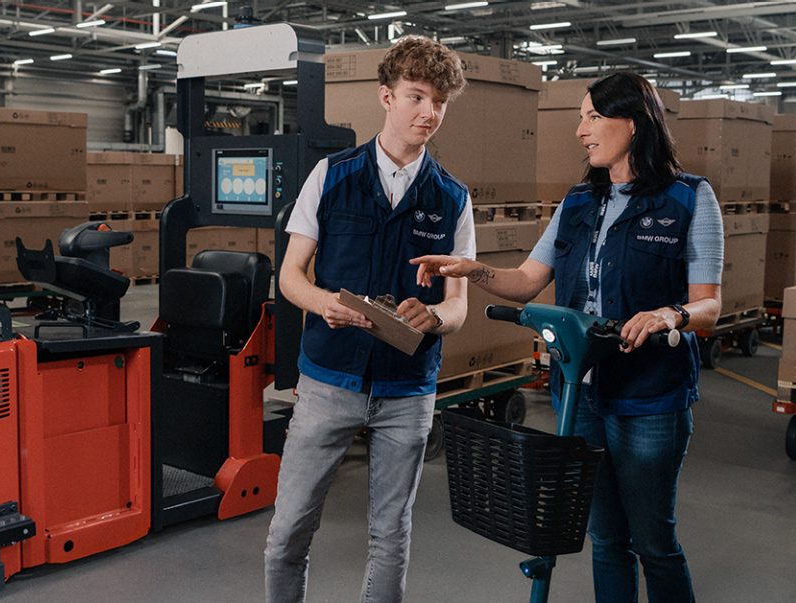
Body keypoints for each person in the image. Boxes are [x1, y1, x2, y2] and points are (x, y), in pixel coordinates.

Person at [411, 71, 723, 603]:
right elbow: (528, 281)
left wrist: (669, 315)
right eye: (581, 117)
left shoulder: (689, 199)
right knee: (605, 538)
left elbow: (709, 306)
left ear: (634, 122)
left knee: (653, 541)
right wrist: (471, 269)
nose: (581, 130)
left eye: (592, 116)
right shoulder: (577, 203)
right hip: (581, 392)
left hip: (651, 397)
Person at [263, 36, 477, 603]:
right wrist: (322, 304)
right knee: (289, 530)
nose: (429, 113)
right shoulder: (331, 176)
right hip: (329, 379)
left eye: (440, 103)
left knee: (391, 533)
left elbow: (458, 306)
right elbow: (290, 277)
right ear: (386, 96)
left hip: (408, 389)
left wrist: (433, 317)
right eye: (417, 97)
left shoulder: (453, 198)